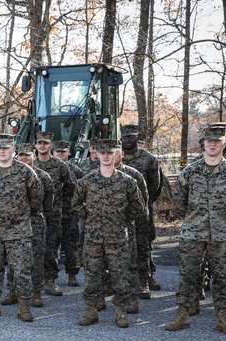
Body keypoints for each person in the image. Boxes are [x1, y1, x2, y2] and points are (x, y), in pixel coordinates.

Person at [164, 126, 226, 334]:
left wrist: (225, 218)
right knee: (188, 274)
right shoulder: (190, 172)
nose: (212, 144)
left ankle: (222, 316)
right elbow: (179, 201)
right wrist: (193, 219)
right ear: (203, 143)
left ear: (224, 142)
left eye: (217, 140)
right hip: (193, 232)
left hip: (222, 232)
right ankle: (183, 313)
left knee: (223, 275)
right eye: (208, 141)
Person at [72, 139, 144, 328]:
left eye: (109, 153)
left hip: (118, 236)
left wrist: (121, 219)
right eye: (102, 153)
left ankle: (121, 310)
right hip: (93, 236)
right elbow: (76, 204)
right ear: (97, 155)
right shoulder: (86, 181)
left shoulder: (127, 181)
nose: (105, 156)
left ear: (116, 154)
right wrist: (89, 217)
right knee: (93, 274)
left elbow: (138, 207)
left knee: (120, 274)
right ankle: (92, 310)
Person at [0, 133, 42, 322]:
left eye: (6, 148)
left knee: (21, 270)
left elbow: (36, 198)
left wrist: (19, 215)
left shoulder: (25, 172)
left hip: (18, 231)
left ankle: (24, 307)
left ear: (13, 150)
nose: (3, 151)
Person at [120, 124, 162, 298]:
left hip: (142, 209)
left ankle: (145, 278)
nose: (129, 140)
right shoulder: (114, 157)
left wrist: (146, 202)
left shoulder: (149, 159)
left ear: (137, 138)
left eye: (132, 137)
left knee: (143, 244)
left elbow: (155, 185)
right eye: (125, 137)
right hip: (120, 210)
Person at [33, 131, 77, 296]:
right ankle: (34, 282)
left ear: (50, 145)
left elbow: (71, 188)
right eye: (40, 143)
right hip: (33, 215)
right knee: (33, 249)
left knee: (52, 249)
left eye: (45, 143)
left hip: (53, 215)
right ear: (36, 146)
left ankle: (51, 282)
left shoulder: (60, 166)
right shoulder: (30, 164)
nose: (42, 146)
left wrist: (61, 205)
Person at [14, 143, 54, 308]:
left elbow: (48, 203)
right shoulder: (12, 174)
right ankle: (12, 291)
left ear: (34, 156)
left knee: (36, 257)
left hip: (35, 221)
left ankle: (37, 293)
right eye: (21, 155)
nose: (24, 158)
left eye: (27, 155)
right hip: (15, 222)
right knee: (14, 259)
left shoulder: (43, 177)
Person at [54, 140, 84, 286]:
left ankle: (72, 274)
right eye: (58, 152)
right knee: (51, 245)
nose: (60, 154)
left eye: (63, 152)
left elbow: (83, 189)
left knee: (71, 245)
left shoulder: (76, 171)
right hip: (52, 213)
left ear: (69, 153)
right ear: (54, 152)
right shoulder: (48, 169)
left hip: (70, 213)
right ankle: (50, 278)